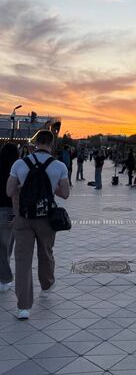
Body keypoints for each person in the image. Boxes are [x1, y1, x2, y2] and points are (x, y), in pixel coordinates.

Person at [6, 130, 70, 319]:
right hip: (47, 218)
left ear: (35, 143)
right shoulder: (59, 166)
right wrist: (50, 187)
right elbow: (65, 193)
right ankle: (47, 285)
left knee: (22, 261)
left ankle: (23, 307)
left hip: (23, 217)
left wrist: (23, 186)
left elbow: (9, 191)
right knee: (46, 253)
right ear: (51, 144)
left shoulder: (19, 164)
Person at [0, 142, 19, 292]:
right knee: (5, 246)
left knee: (3, 247)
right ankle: (5, 278)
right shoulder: (17, 169)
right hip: (8, 210)